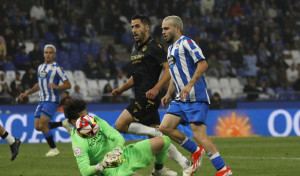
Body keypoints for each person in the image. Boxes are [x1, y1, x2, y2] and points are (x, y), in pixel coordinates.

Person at [111, 14, 192, 176]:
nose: (134, 30)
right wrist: (122, 89)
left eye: (137, 26)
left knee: (120, 125)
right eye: (132, 27)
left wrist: (156, 88)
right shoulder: (135, 48)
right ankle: (179, 164)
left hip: (147, 98)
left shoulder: (155, 47)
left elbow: (168, 69)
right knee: (157, 140)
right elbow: (136, 76)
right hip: (140, 96)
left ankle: (163, 148)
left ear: (147, 28)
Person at [160, 16, 232, 176]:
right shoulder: (170, 49)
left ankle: (223, 169)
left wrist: (190, 84)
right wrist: (168, 93)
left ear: (177, 28)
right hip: (180, 99)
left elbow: (203, 64)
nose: (163, 32)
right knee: (164, 127)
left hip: (195, 97)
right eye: (162, 29)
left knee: (199, 135)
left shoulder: (187, 43)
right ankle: (196, 151)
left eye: (166, 28)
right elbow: (174, 74)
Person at [63, 99, 171, 176]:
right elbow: (85, 171)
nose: (89, 119)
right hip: (110, 170)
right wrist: (102, 165)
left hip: (124, 154)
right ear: (73, 122)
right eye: (83, 117)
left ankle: (158, 171)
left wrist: (117, 149)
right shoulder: (78, 143)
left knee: (164, 141)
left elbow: (116, 136)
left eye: (88, 115)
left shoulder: (96, 121)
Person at [19, 44, 72, 157]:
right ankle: (63, 123)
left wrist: (56, 87)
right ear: (43, 54)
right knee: (37, 127)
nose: (48, 55)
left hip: (52, 100)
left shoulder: (57, 68)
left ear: (54, 55)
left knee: (43, 125)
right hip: (42, 100)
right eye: (46, 52)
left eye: (50, 53)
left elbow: (68, 85)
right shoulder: (40, 67)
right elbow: (38, 85)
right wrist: (26, 93)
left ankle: (54, 149)